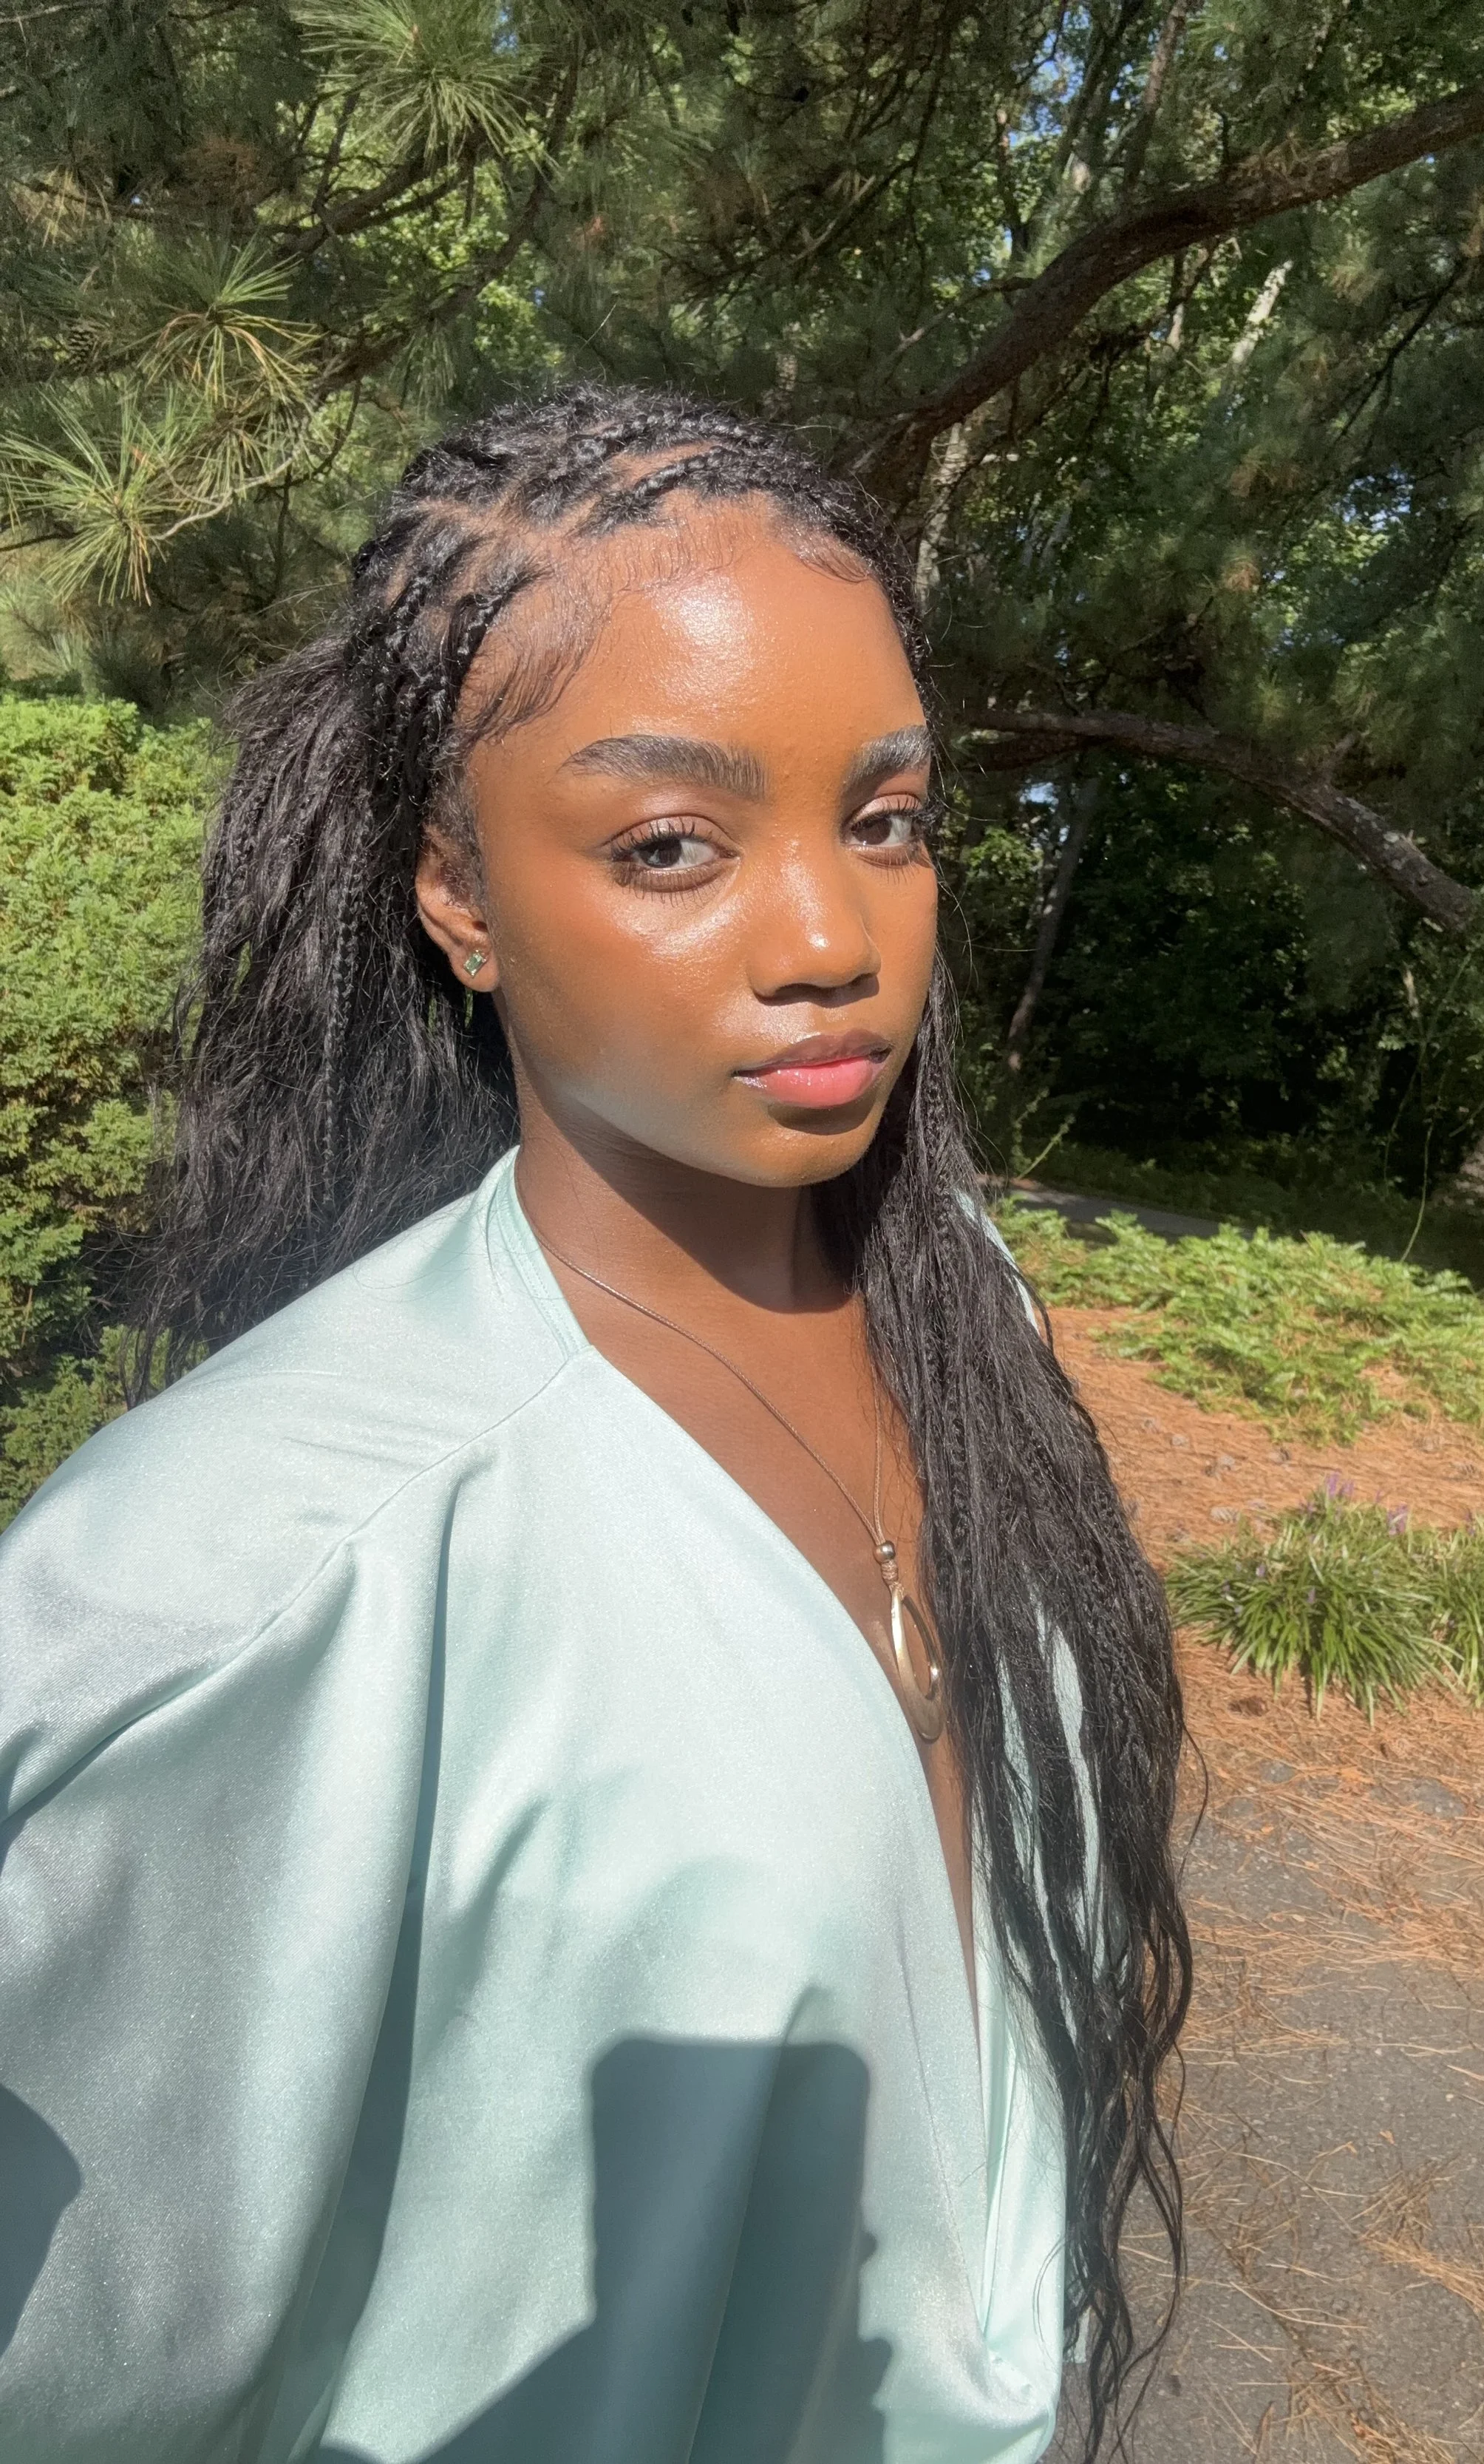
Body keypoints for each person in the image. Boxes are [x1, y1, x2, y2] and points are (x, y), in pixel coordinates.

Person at [0, 385, 1189, 2463]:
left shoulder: (957, 1312)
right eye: (670, 844)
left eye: (885, 820)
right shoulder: (241, 1589)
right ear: (456, 892)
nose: (830, 939)